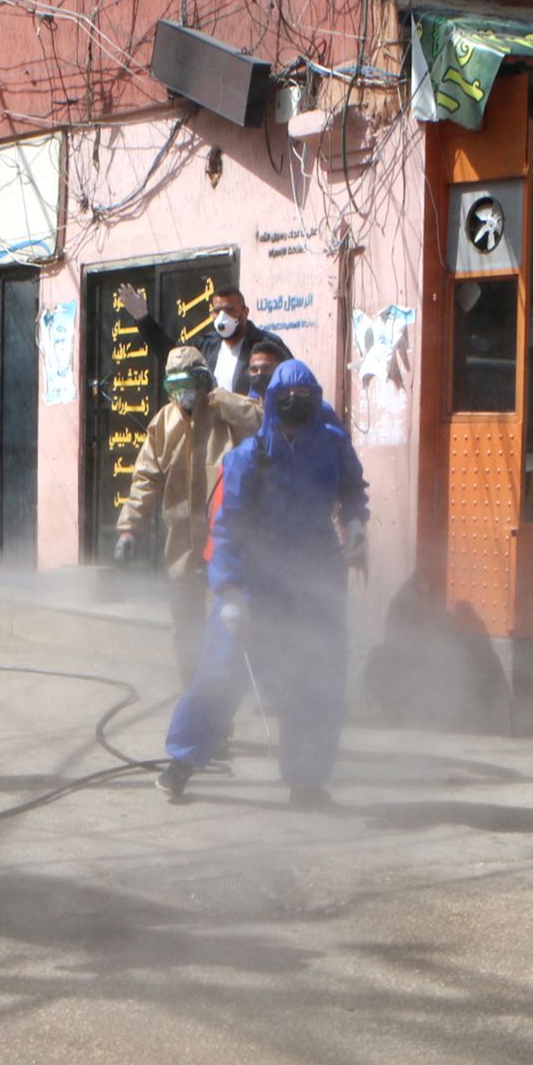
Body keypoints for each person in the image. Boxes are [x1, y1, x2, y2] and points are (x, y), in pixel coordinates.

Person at [156, 359, 368, 807]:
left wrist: (354, 525)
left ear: (316, 399)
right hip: (254, 580)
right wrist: (229, 591)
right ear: (272, 402)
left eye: (305, 399)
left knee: (314, 679)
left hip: (312, 580)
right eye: (287, 400)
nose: (296, 407)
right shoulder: (249, 457)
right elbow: (228, 527)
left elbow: (353, 491)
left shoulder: (332, 445)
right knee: (220, 670)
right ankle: (182, 762)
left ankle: (307, 782)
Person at [115, 347, 263, 683]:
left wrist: (220, 397)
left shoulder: (226, 413)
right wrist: (129, 528)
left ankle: (222, 705)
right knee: (185, 627)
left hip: (224, 547)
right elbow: (145, 478)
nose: (182, 392)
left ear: (203, 381)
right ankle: (192, 700)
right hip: (182, 546)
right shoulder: (163, 423)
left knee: (225, 625)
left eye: (188, 383)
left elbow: (259, 421)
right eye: (174, 385)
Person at [121, 284, 294, 397]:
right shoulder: (205, 346)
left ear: (245, 312)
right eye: (217, 311)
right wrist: (142, 318)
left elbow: (293, 384)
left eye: (229, 310)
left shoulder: (268, 347)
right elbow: (173, 356)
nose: (222, 317)